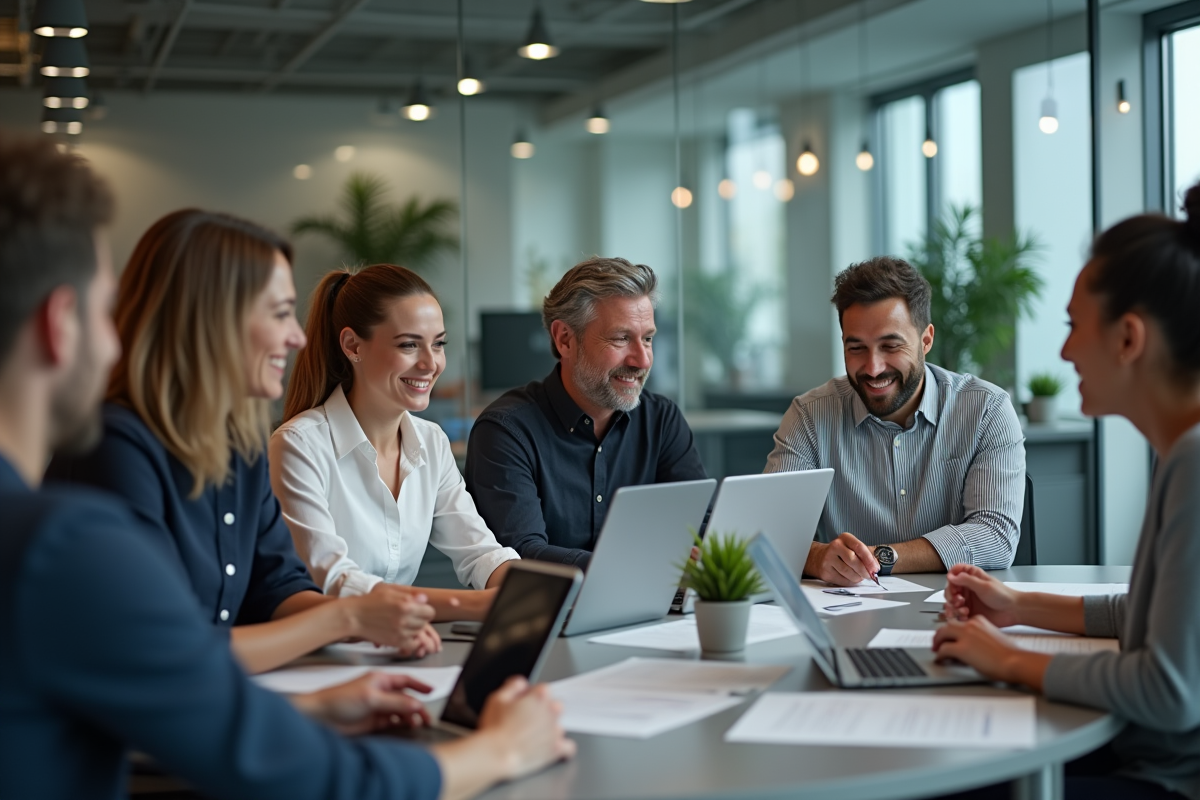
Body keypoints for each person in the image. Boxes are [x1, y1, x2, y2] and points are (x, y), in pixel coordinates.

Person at [0, 129, 573, 800]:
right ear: (59, 322)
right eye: (103, 310)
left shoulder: (234, 449)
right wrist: (496, 751)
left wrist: (318, 699)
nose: (301, 336)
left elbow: (258, 603)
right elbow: (265, 750)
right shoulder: (63, 531)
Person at [47, 210, 441, 673]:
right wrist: (347, 617)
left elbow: (278, 588)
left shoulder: (239, 446)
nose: (297, 337)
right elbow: (157, 651)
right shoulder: (112, 447)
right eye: (278, 314)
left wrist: (369, 625)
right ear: (207, 319)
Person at [932, 186, 1200, 800]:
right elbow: (1152, 617)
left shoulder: (1193, 460)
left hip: (1163, 778)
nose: (1064, 350)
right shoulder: (1180, 451)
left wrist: (1005, 658)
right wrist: (1018, 606)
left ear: (1129, 339)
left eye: (1075, 326)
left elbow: (1170, 690)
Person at [271, 264, 519, 621]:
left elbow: (480, 553)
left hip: (401, 649)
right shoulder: (299, 446)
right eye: (408, 345)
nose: (430, 364)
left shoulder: (431, 442)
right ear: (352, 345)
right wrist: (473, 606)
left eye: (438, 344)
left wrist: (530, 589)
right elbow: (336, 583)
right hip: (322, 658)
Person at [765, 257, 1025, 586]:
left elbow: (995, 536)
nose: (873, 368)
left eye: (890, 345)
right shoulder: (810, 416)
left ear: (926, 340)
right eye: (856, 347)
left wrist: (878, 558)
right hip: (845, 621)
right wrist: (818, 558)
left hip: (958, 613)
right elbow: (769, 534)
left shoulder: (986, 410)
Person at [465, 256, 706, 569]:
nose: (643, 360)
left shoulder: (661, 420)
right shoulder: (506, 431)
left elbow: (699, 525)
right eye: (621, 338)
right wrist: (639, 565)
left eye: (647, 339)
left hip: (656, 610)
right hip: (549, 614)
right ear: (565, 339)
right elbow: (521, 554)